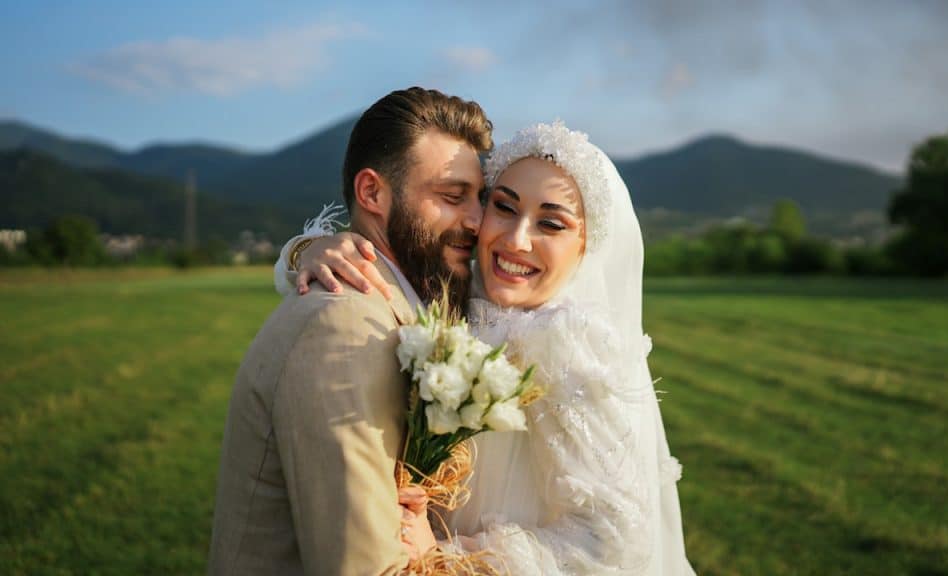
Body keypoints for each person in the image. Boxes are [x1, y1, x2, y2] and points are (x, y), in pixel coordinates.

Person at [277, 121, 697, 574]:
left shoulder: (572, 348)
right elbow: (357, 276)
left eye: (551, 223)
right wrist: (314, 249)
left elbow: (613, 540)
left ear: (586, 248)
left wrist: (450, 554)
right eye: (504, 207)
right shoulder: (465, 294)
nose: (515, 240)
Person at [207, 87, 493, 575]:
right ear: (372, 193)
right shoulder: (343, 326)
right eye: (452, 196)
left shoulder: (412, 301)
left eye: (480, 198)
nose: (477, 221)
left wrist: (303, 247)